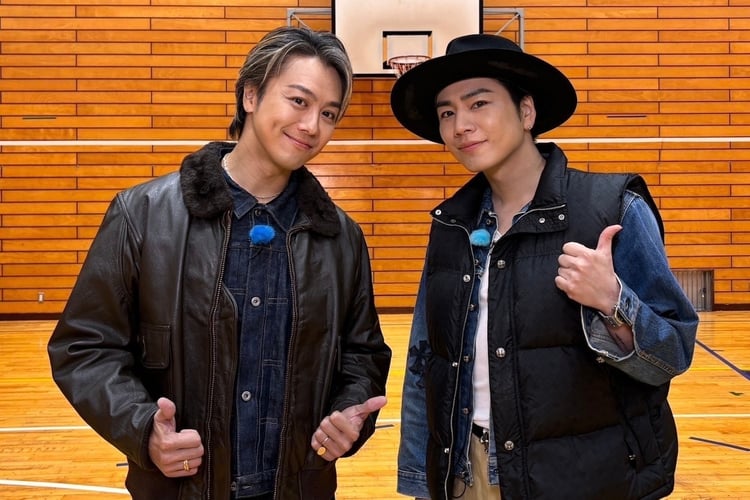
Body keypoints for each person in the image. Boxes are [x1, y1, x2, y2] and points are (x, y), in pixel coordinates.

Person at [47, 26, 391, 500]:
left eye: (329, 113)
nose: (313, 125)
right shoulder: (142, 214)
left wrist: (349, 414)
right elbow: (84, 346)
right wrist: (143, 429)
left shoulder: (342, 238)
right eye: (298, 101)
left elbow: (363, 355)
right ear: (250, 95)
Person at [390, 33, 699, 500]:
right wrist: (422, 480)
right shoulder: (451, 225)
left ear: (526, 112)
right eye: (447, 112)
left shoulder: (613, 208)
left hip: (587, 480)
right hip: (467, 475)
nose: (460, 125)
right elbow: (425, 362)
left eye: (478, 103)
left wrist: (614, 303)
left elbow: (672, 354)